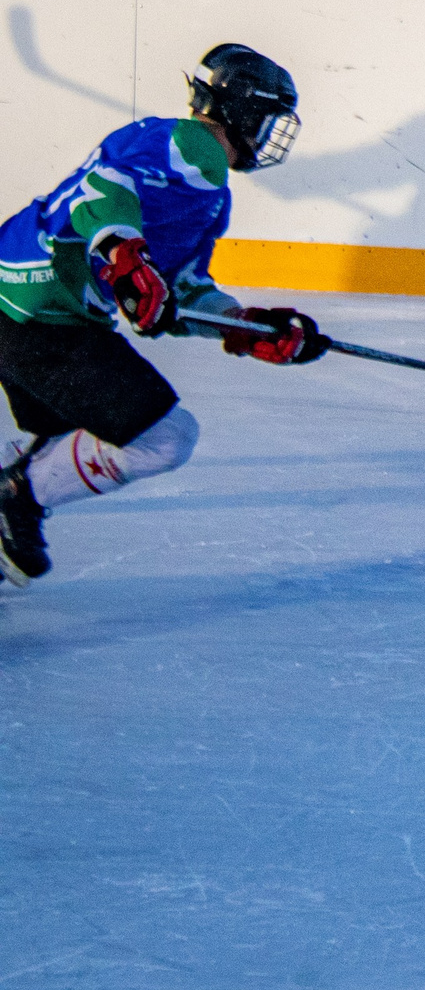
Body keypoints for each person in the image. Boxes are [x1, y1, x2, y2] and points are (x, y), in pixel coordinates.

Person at [0, 46, 325, 588]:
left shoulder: (209, 191)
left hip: (33, 309)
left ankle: (20, 476)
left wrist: (244, 324)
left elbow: (178, 292)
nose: (269, 136)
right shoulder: (187, 145)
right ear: (244, 111)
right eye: (268, 120)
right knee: (165, 439)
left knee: (58, 440)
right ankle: (16, 495)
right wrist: (123, 252)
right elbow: (103, 192)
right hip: (38, 314)